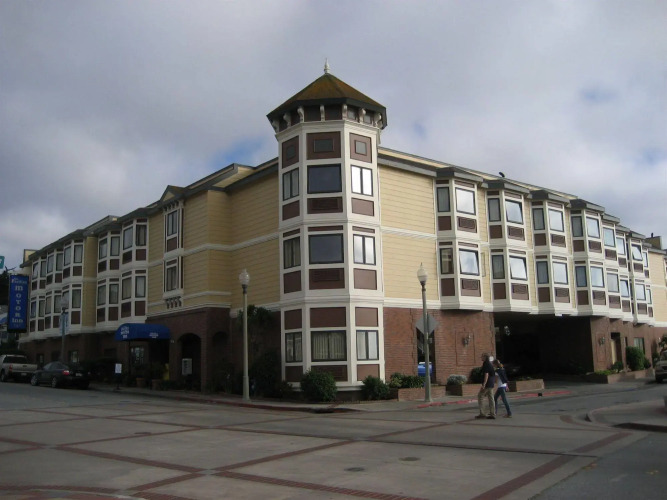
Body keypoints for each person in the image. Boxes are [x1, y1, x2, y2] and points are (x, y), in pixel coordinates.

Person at [475, 353, 496, 419]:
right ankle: (492, 413)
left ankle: (482, 413)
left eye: (482, 356)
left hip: (487, 384)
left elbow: (486, 374)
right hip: (491, 383)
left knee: (480, 396)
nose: (481, 357)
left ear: (485, 357)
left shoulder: (486, 364)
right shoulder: (490, 364)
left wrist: (484, 384)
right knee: (491, 398)